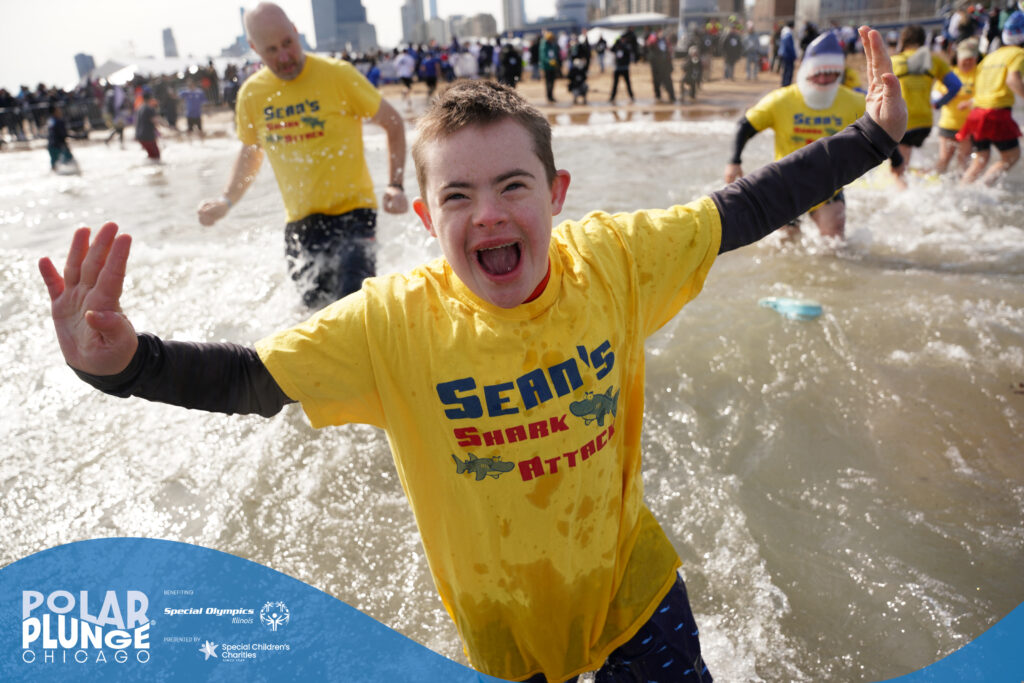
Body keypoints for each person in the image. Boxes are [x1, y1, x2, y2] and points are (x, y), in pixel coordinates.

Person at [37, 26, 905, 683]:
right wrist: (120, 362)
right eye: (457, 194)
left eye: (512, 186)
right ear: (425, 219)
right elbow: (250, 379)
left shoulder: (613, 260)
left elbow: (744, 209)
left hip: (634, 594)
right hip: (503, 634)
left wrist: (871, 138)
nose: (487, 214)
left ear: (555, 195)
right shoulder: (392, 324)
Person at [196, 3, 408, 310]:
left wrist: (396, 185)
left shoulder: (337, 75)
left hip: (355, 214)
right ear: (255, 49)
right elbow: (252, 152)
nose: (284, 57)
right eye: (271, 50)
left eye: (288, 44)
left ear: (296, 32)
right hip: (301, 223)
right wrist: (226, 201)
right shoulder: (252, 94)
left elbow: (393, 122)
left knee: (353, 304)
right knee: (314, 313)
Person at [725, 31, 902, 239]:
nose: (824, 79)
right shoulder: (781, 100)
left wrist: (897, 162)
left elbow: (880, 128)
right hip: (786, 184)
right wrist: (734, 161)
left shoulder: (853, 101)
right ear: (806, 71)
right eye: (819, 72)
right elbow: (745, 126)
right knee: (786, 245)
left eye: (831, 73)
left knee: (834, 241)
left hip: (829, 186)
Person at [958, 9, 1024, 185]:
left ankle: (963, 189)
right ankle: (983, 187)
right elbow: (1012, 79)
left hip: (977, 113)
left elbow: (982, 88)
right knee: (1011, 156)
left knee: (980, 158)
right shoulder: (1018, 54)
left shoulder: (990, 57)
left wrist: (970, 102)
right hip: (995, 114)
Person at [890, 24, 961, 176]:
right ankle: (920, 176)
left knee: (898, 170)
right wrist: (938, 104)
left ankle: (905, 192)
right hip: (925, 122)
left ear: (902, 42)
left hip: (902, 121)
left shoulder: (894, 61)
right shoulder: (935, 61)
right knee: (906, 156)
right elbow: (956, 85)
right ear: (923, 42)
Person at [935, 37, 979, 174]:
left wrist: (970, 102)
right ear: (958, 57)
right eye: (965, 58)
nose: (967, 61)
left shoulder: (980, 73)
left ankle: (961, 188)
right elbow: (937, 93)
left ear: (976, 58)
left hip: (969, 126)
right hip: (948, 124)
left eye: (971, 58)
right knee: (944, 158)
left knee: (963, 160)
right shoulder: (950, 73)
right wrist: (940, 98)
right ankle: (935, 183)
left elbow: (985, 95)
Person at [46, 104, 77, 173]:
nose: (60, 111)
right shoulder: (59, 121)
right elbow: (63, 134)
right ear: (54, 112)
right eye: (58, 110)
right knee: (70, 160)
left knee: (54, 164)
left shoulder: (50, 120)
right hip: (59, 145)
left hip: (51, 145)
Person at [134, 90, 164, 162]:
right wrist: (168, 125)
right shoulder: (149, 109)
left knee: (151, 155)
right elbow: (155, 120)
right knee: (156, 156)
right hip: (147, 136)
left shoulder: (140, 108)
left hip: (140, 136)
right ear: (151, 99)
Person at [647, 30, 676, 102]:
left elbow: (669, 54)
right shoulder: (653, 41)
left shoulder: (666, 42)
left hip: (665, 66)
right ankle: (658, 97)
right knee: (656, 82)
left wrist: (670, 65)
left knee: (668, 82)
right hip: (656, 66)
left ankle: (672, 97)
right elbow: (649, 46)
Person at [608, 35, 635, 103]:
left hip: (624, 68)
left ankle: (631, 96)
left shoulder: (626, 46)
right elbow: (611, 50)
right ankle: (612, 97)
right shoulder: (617, 46)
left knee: (628, 83)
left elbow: (629, 53)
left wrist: (622, 45)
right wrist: (616, 43)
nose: (622, 41)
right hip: (617, 68)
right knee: (615, 84)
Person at [540, 31, 560, 103]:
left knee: (552, 82)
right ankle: (549, 96)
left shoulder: (552, 45)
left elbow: (555, 54)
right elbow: (543, 56)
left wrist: (555, 61)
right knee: (548, 82)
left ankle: (551, 96)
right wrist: (549, 61)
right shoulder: (544, 45)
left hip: (552, 67)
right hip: (546, 67)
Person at [778, 21, 797, 86]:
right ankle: (786, 84)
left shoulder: (784, 33)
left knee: (785, 70)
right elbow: (789, 46)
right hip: (788, 55)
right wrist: (794, 55)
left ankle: (784, 83)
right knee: (788, 71)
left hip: (783, 54)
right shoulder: (788, 34)